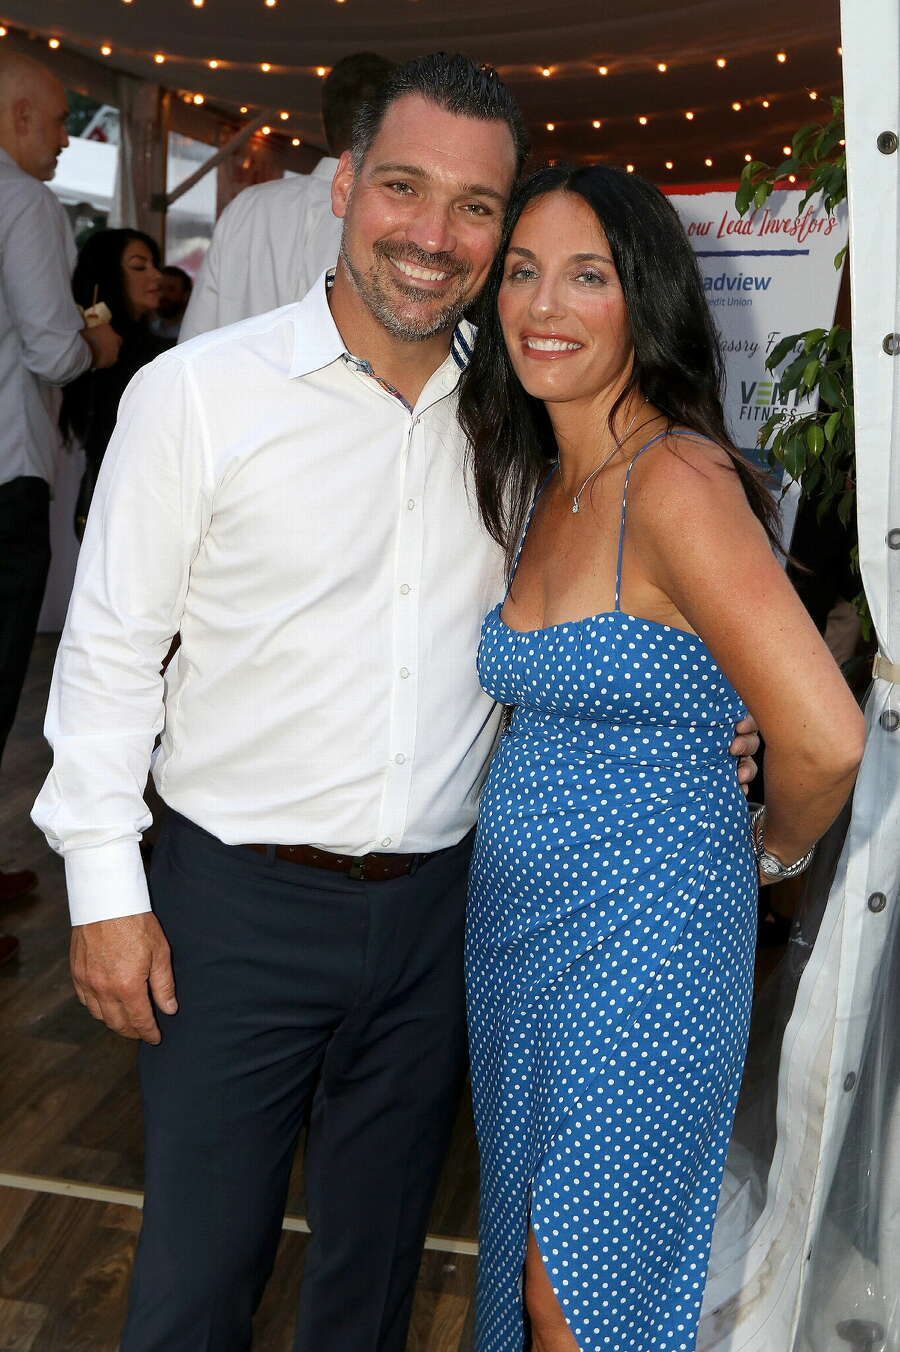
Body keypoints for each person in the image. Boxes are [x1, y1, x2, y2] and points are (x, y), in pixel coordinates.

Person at [32, 56, 758, 1351]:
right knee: (198, 1278)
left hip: (441, 912)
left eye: (477, 206)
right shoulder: (199, 397)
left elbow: (607, 601)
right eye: (405, 189)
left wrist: (724, 716)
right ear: (344, 186)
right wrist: (105, 891)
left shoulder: (521, 409)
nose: (434, 235)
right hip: (230, 909)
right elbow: (105, 658)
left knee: (370, 1280)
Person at [458, 165, 867, 1352]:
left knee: (573, 1285)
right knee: (533, 1255)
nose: (545, 302)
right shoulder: (545, 475)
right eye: (525, 270)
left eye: (587, 275)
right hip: (518, 932)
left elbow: (825, 735)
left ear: (646, 300)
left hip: (650, 939)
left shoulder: (678, 479)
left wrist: (768, 849)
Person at [0, 51, 119, 940]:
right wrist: (97, 351)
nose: (60, 144)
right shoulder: (22, 201)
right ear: (16, 115)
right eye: (56, 123)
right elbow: (49, 348)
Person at [179, 51, 395, 341]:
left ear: (324, 124)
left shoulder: (247, 205)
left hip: (232, 382)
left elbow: (196, 334)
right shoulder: (388, 216)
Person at [61, 228, 167, 537]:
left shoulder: (154, 349)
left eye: (155, 265)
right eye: (139, 266)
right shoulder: (83, 348)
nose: (157, 276)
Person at [149, 264, 192, 343]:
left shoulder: (192, 334)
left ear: (185, 295)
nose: (163, 294)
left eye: (171, 289)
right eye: (159, 288)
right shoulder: (150, 331)